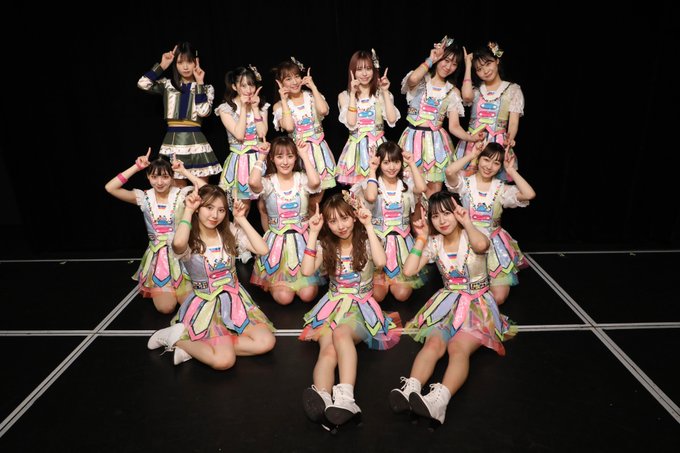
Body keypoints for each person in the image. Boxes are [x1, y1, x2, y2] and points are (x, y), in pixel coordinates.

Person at [389, 190, 515, 425]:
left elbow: (481, 245)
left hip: (477, 305)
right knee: (433, 344)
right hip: (446, 304)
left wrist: (467, 221)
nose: (442, 220)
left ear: (458, 212)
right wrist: (421, 238)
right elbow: (408, 271)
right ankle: (411, 389)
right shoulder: (435, 243)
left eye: (447, 213)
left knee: (458, 348)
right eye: (435, 216)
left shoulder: (474, 233)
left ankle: (440, 402)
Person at [299, 192, 400, 427]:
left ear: (354, 217)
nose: (340, 226)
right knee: (328, 352)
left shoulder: (367, 241)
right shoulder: (326, 246)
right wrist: (313, 233)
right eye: (333, 221)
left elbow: (381, 262)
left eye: (344, 218)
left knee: (341, 333)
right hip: (332, 307)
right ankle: (323, 399)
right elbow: (306, 271)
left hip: (361, 307)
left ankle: (346, 399)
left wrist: (368, 224)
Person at [146, 185, 276, 369]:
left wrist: (241, 219)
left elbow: (263, 249)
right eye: (209, 207)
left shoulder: (229, 231)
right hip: (206, 307)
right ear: (198, 208)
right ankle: (174, 338)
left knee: (266, 342)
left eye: (221, 210)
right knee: (224, 361)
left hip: (235, 303)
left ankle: (198, 348)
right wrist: (188, 210)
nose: (215, 215)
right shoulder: (188, 236)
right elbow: (178, 244)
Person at [105, 148, 204, 313]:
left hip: (183, 256)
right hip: (159, 261)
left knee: (191, 307)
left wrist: (184, 171)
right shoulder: (144, 197)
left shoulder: (181, 195)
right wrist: (136, 167)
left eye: (165, 177)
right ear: (148, 176)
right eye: (154, 176)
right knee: (166, 308)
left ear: (172, 176)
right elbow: (110, 188)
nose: (159, 182)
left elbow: (211, 191)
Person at [445, 141, 535, 305]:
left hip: (495, 245)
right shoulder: (465, 184)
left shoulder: (501, 188)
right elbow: (449, 171)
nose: (489, 166)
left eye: (496, 163)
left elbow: (529, 194)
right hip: (467, 242)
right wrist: (472, 155)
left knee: (498, 298)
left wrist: (510, 171)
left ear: (500, 167)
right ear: (479, 159)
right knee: (464, 292)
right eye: (486, 159)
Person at [398, 36, 484, 198]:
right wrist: (431, 59)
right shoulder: (421, 80)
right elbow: (412, 79)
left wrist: (472, 138)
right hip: (411, 139)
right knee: (409, 190)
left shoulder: (452, 91)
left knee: (433, 193)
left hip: (436, 143)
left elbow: (454, 126)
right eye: (446, 60)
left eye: (454, 63)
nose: (449, 66)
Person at [248, 136, 323, 305]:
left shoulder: (301, 178)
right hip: (277, 245)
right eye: (280, 156)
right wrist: (261, 156)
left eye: (290, 156)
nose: (285, 162)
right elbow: (252, 182)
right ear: (273, 159)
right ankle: (279, 284)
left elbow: (315, 182)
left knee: (308, 295)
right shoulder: (268, 182)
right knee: (284, 298)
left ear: (295, 158)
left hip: (303, 242)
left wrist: (304, 155)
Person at [137, 42, 221, 185]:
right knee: (178, 193)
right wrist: (162, 65)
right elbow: (143, 83)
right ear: (175, 64)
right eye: (180, 62)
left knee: (202, 191)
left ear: (196, 62)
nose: (185, 67)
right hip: (173, 141)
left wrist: (199, 83)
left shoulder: (206, 88)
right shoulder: (168, 85)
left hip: (196, 142)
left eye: (189, 62)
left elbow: (203, 112)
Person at [352, 141, 426, 302]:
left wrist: (412, 163)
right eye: (386, 162)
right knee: (377, 296)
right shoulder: (372, 183)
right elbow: (371, 197)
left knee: (402, 295)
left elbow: (422, 188)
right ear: (379, 163)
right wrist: (372, 170)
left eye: (396, 162)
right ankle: (379, 278)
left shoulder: (406, 185)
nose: (391, 167)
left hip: (402, 246)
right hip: (378, 243)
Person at [272, 57, 336, 212]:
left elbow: (324, 111)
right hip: (300, 154)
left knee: (317, 200)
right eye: (288, 79)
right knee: (303, 198)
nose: (294, 82)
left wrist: (313, 87)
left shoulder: (311, 96)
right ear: (280, 82)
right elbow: (288, 127)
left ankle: (313, 225)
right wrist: (284, 100)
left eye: (296, 76)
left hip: (319, 152)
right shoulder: (279, 105)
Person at [456, 42, 524, 179]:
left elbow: (513, 122)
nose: (485, 71)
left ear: (497, 61)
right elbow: (467, 96)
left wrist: (509, 139)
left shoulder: (513, 89)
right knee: (467, 183)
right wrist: (468, 65)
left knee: (494, 185)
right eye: (479, 69)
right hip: (473, 143)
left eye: (488, 64)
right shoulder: (476, 89)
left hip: (498, 144)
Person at [336, 49, 400, 185]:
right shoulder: (344, 96)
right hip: (355, 151)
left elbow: (392, 119)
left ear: (374, 70)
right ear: (352, 71)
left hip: (379, 147)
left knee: (380, 189)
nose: (364, 74)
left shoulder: (380, 94)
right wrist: (352, 94)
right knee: (357, 193)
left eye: (368, 68)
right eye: (359, 69)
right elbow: (351, 122)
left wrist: (385, 91)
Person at [215, 65, 270, 215]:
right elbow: (239, 135)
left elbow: (262, 133)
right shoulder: (226, 109)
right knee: (242, 209)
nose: (248, 90)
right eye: (243, 85)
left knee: (265, 208)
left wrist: (255, 108)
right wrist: (245, 108)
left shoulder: (262, 106)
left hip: (259, 159)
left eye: (251, 85)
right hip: (240, 162)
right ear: (234, 86)